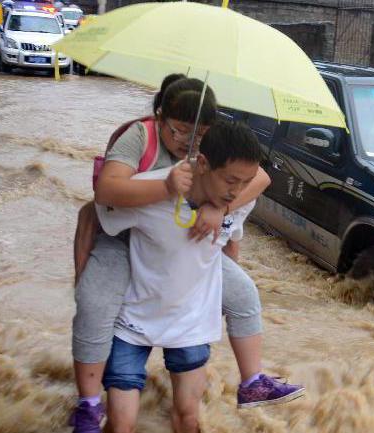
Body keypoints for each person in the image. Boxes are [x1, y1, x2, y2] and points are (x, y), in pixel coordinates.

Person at [69, 77, 302, 433]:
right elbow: (100, 201)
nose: (187, 142)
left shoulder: (220, 169)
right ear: (160, 118)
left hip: (185, 302)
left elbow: (253, 188)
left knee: (244, 294)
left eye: (198, 134)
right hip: (130, 234)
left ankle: (252, 379)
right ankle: (88, 403)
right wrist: (164, 188)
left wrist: (219, 209)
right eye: (178, 131)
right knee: (94, 302)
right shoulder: (140, 139)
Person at [95, 120, 265, 433]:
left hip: (191, 325)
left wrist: (220, 210)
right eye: (230, 180)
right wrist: (87, 285)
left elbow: (231, 246)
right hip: (133, 321)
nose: (237, 191)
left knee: (188, 418)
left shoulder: (237, 200)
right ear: (202, 163)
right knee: (122, 424)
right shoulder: (152, 191)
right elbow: (97, 212)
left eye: (245, 182)